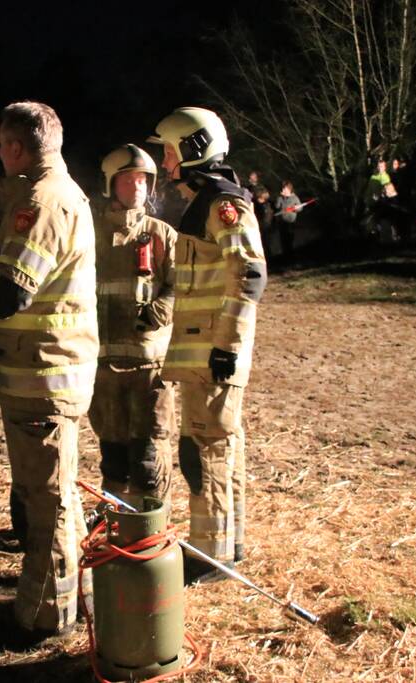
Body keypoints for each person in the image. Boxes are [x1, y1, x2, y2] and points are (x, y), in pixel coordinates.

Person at [0, 101, 97, 642]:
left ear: (16, 147)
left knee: (47, 502)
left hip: (42, 375)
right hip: (47, 371)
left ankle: (44, 616)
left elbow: (11, 292)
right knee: (60, 494)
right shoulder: (56, 193)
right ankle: (76, 601)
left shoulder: (43, 200)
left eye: (0, 144)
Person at [147, 107, 267, 582]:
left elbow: (250, 275)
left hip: (214, 356)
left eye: (172, 152)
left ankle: (210, 556)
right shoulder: (208, 203)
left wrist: (227, 347)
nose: (167, 163)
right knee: (220, 447)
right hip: (205, 354)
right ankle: (227, 546)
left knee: (205, 454)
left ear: (194, 149)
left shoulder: (222, 205)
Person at [89, 144, 177, 510]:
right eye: (128, 179)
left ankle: (151, 536)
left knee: (148, 456)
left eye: (143, 179)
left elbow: (180, 284)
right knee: (112, 456)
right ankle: (117, 531)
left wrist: (160, 310)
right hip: (103, 367)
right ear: (112, 185)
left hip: (148, 367)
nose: (137, 187)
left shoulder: (162, 234)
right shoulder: (89, 234)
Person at [273, 180, 301, 256]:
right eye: (283, 189)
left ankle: (291, 254)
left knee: (290, 238)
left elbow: (300, 208)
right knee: (283, 238)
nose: (284, 190)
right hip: (282, 221)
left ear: (290, 189)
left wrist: (295, 208)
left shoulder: (295, 198)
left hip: (291, 221)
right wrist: (279, 198)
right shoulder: (280, 198)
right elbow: (277, 206)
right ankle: (285, 254)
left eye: (285, 189)